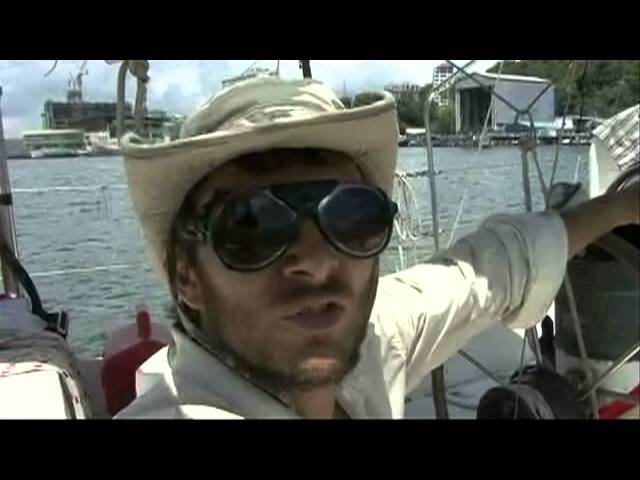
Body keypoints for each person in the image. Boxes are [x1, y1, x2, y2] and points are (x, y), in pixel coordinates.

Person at [116, 77, 639, 419]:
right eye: (253, 226)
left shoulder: (372, 340)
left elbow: (494, 266)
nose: (317, 260)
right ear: (187, 276)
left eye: (351, 215)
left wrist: (621, 207)